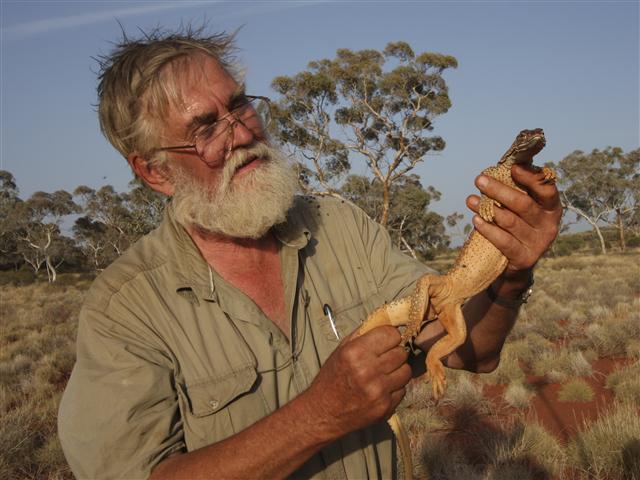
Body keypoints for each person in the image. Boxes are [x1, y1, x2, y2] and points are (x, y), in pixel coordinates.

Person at [58, 28, 561, 480]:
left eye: (239, 104)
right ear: (155, 172)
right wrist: (317, 416)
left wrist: (510, 273)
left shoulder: (341, 227)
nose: (243, 133)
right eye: (205, 127)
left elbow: (470, 350)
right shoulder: (122, 312)